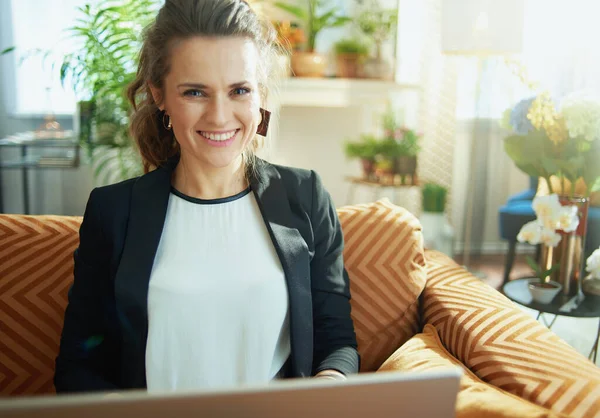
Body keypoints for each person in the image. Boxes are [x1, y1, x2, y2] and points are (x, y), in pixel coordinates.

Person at [54, 0, 359, 394]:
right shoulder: (113, 213)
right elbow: (78, 367)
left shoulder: (306, 197)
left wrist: (326, 390)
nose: (219, 116)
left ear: (260, 95)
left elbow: (337, 342)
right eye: (195, 92)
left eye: (239, 90)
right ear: (159, 95)